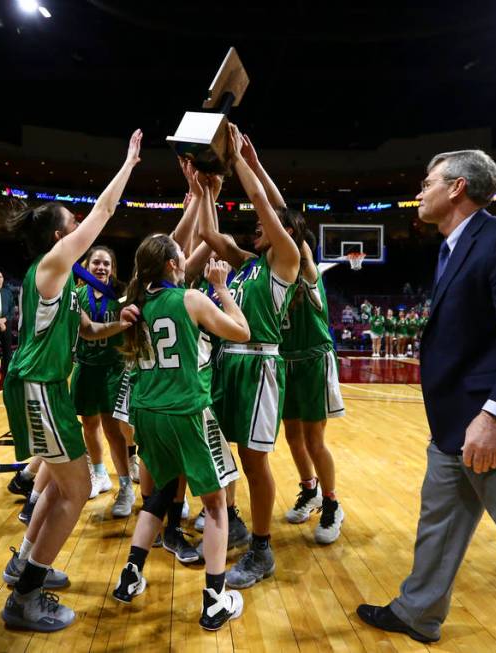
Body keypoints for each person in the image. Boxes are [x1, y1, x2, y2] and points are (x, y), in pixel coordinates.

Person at [357, 149, 496, 652]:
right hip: (452, 427)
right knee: (439, 523)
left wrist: (495, 415)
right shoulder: (448, 247)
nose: (419, 191)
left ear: (458, 187)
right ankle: (417, 612)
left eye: (427, 182)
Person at [0, 129, 143, 632]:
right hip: (39, 384)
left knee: (58, 485)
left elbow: (90, 330)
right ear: (60, 237)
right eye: (72, 225)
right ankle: (25, 597)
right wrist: (128, 164)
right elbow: (102, 212)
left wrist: (122, 322)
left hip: (45, 384)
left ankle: (25, 563)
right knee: (75, 489)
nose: (81, 228)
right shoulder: (55, 263)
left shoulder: (61, 279)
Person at [111, 235, 248, 631]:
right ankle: (215, 600)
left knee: (159, 493)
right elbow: (241, 330)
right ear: (173, 265)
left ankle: (131, 574)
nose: (187, 258)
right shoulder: (191, 299)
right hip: (186, 411)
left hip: (147, 410)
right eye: (182, 254)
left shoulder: (135, 306)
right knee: (217, 504)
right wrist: (221, 288)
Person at [197, 125, 302, 589]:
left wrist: (240, 158)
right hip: (227, 362)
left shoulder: (286, 258)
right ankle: (233, 520)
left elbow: (264, 206)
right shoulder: (247, 264)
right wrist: (203, 191)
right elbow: (206, 233)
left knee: (254, 460)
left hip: (259, 364)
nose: (258, 228)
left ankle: (262, 549)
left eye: (267, 226)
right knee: (221, 452)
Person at [280, 236, 346, 544]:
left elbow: (297, 239)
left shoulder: (307, 271)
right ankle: (310, 491)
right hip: (286, 362)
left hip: (312, 361)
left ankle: (332, 503)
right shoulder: (274, 276)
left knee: (313, 439)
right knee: (293, 437)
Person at [70, 245, 136, 517]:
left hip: (113, 368)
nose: (101, 267)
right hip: (86, 367)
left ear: (113, 268)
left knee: (113, 429)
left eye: (106, 263)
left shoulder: (121, 294)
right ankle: (99, 474)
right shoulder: (76, 295)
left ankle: (126, 487)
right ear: (86, 266)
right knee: (89, 424)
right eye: (96, 262)